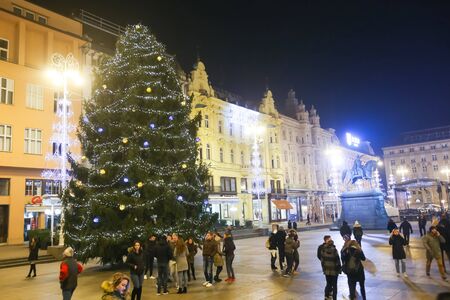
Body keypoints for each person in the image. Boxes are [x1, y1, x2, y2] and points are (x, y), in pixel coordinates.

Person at [317, 235, 341, 300]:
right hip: (334, 271)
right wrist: (339, 269)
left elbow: (322, 260)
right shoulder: (334, 250)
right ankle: (334, 297)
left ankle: (326, 295)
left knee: (328, 283)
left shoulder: (323, 250)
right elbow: (338, 261)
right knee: (335, 285)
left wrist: (324, 268)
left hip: (327, 270)